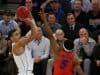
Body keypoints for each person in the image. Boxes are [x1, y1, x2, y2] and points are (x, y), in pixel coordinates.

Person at [40, 8, 84, 75]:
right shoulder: (71, 56)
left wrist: (45, 20)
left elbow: (50, 35)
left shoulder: (59, 52)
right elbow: (80, 72)